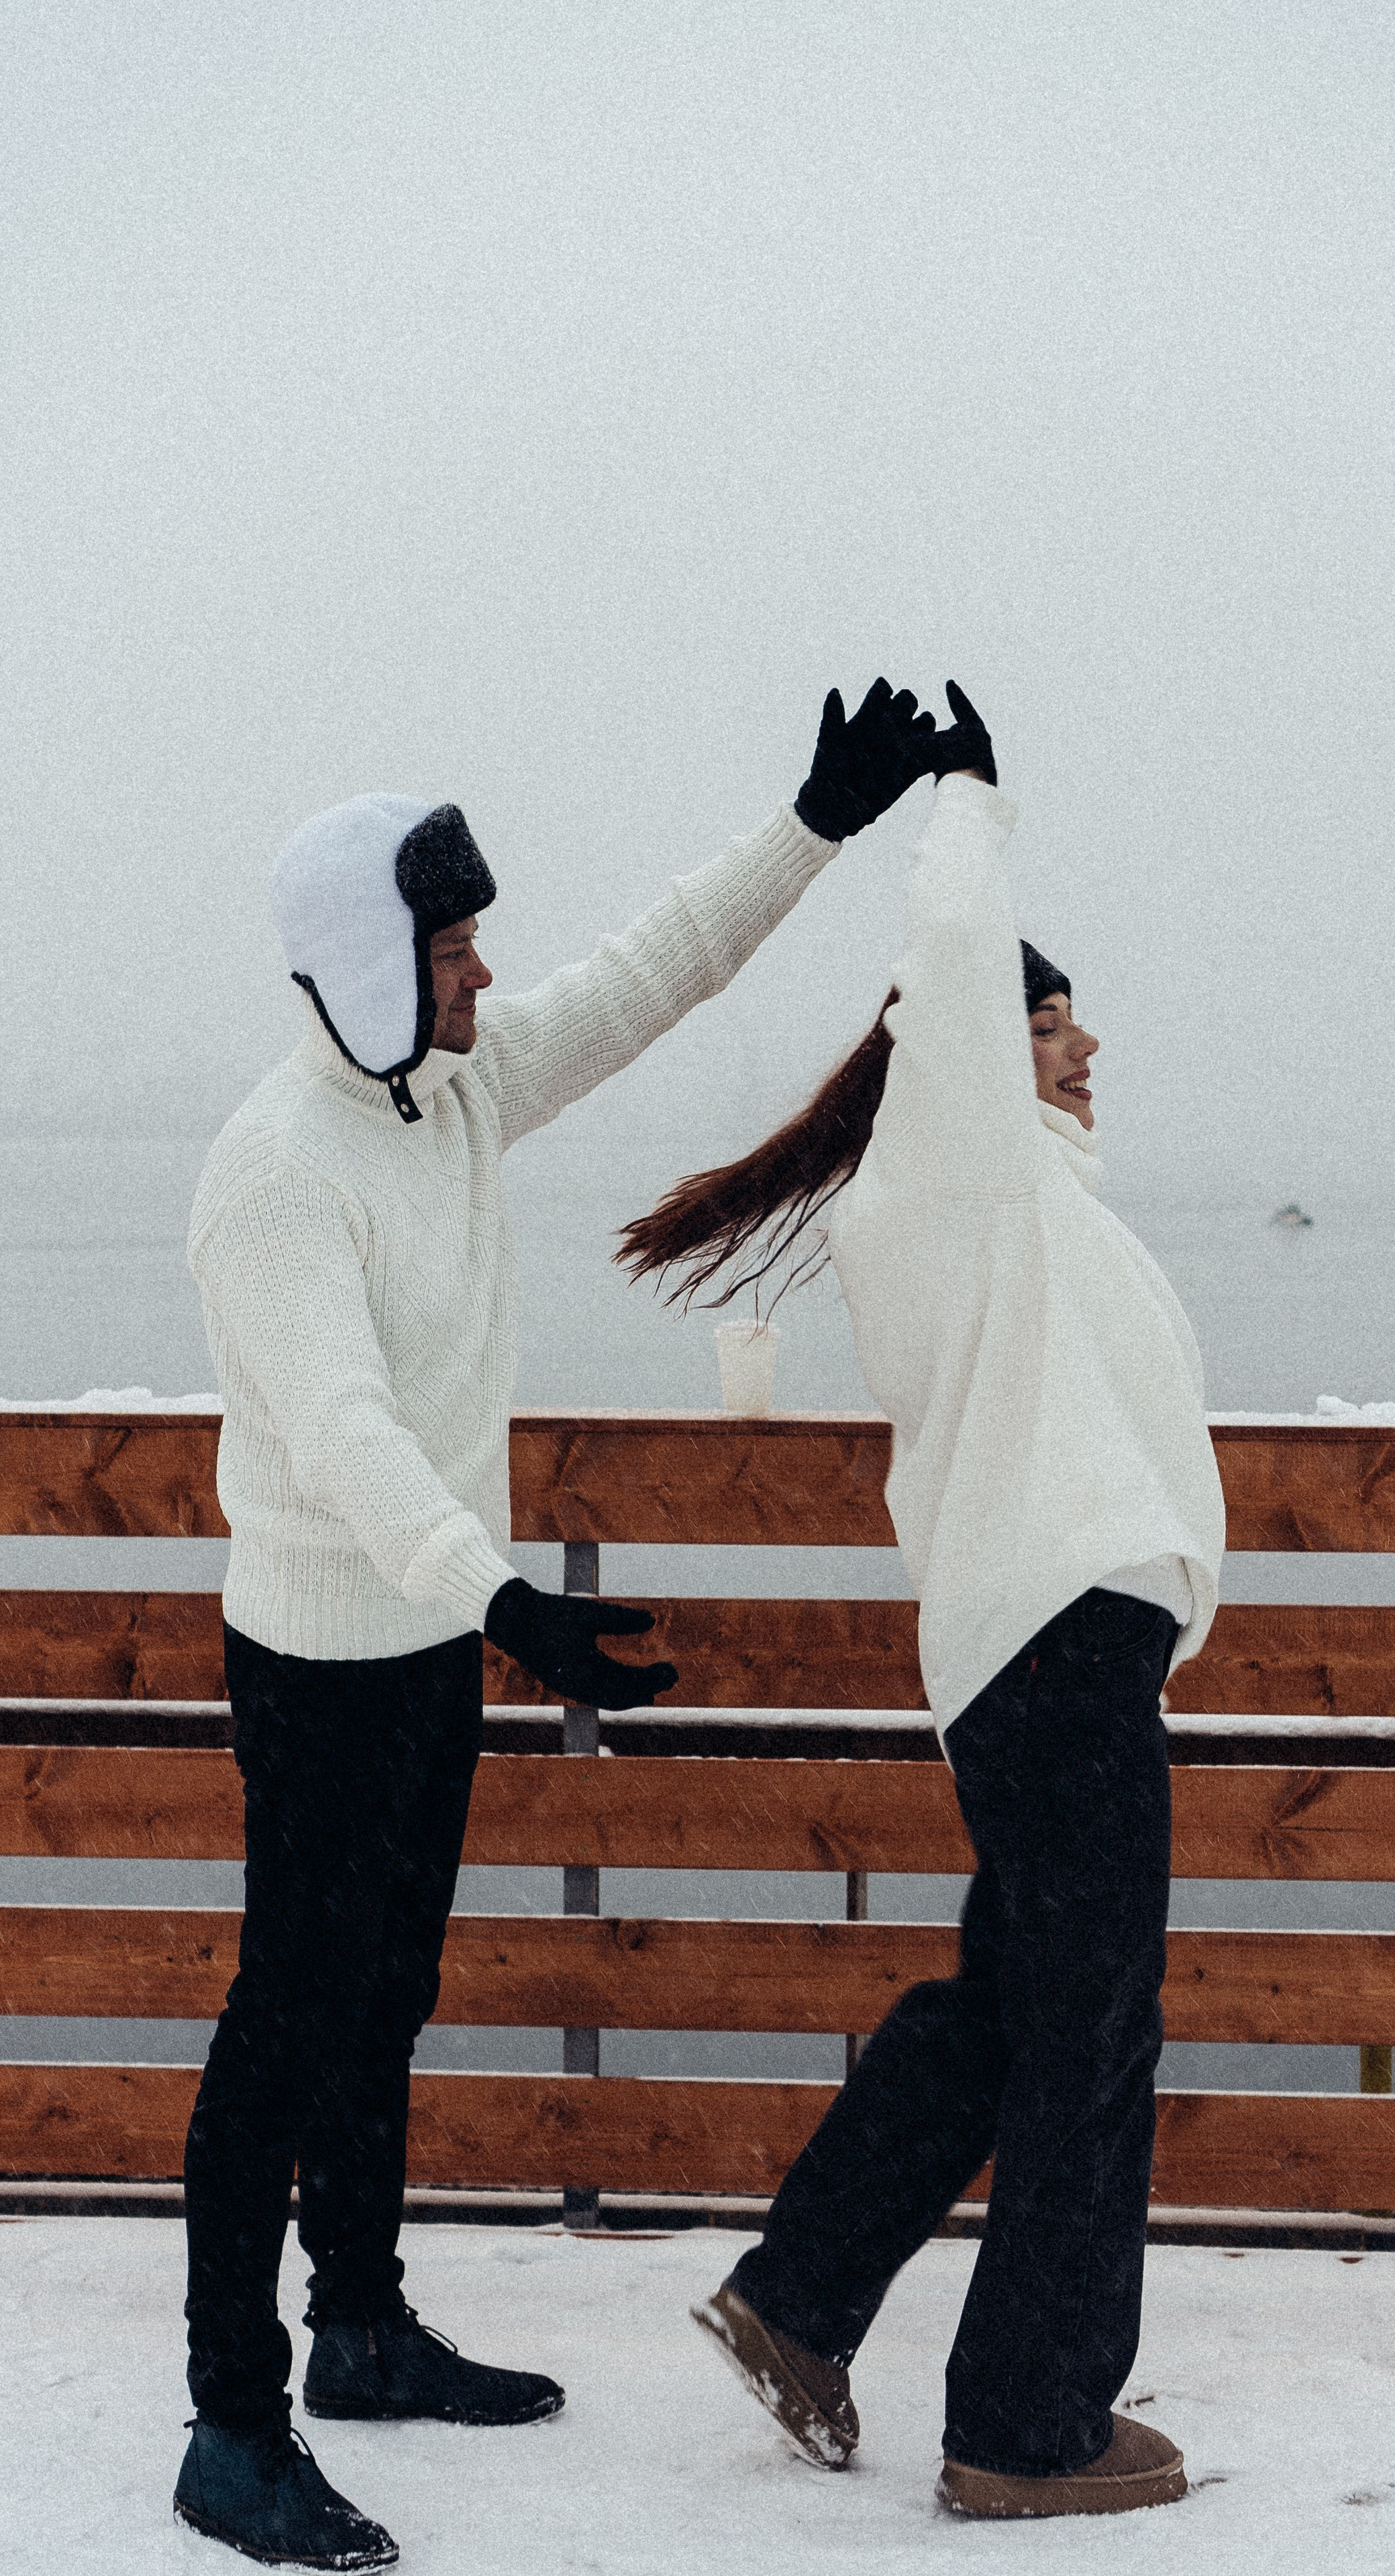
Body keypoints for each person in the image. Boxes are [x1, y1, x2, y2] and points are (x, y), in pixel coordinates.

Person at [174, 680, 939, 2571]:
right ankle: (228, 2423)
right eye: (449, 946)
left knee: (389, 2001)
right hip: (320, 1657)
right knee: (283, 2026)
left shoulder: (453, 1093)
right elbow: (344, 1437)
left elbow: (650, 969)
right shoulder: (277, 1176)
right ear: (365, 961)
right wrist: (505, 1592)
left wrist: (815, 823)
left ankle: (357, 2327)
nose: (483, 972)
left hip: (425, 1649)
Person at [617, 685, 1226, 2522]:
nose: (1087, 1040)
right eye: (1055, 1021)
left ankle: (801, 2295)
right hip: (1059, 1647)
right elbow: (952, 941)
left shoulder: (984, 1198)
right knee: (1092, 2033)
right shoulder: (956, 1167)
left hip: (1039, 1652)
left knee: (1015, 2007)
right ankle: (1026, 2425)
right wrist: (967, 793)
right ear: (973, 1047)